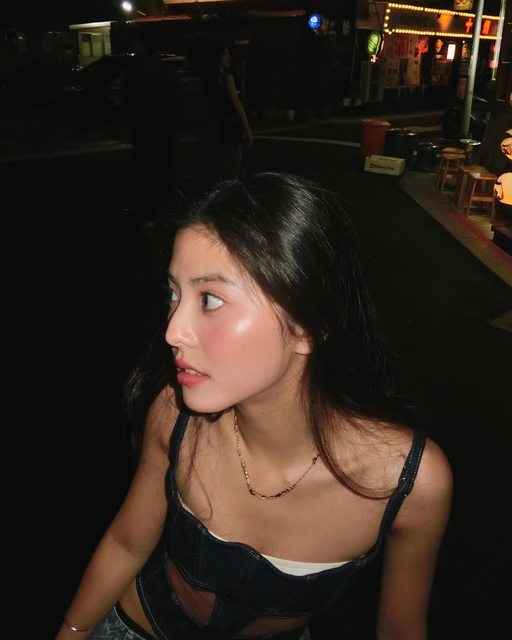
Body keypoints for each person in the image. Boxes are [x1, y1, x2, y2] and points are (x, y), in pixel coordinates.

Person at [56, 172, 452, 640]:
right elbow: (127, 542)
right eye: (173, 295)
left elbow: (401, 629)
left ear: (307, 326)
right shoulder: (176, 415)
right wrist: (73, 631)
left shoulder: (410, 481)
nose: (172, 331)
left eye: (210, 299)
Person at [121, 33, 181, 230]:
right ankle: (169, 213)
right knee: (166, 174)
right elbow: (176, 101)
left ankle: (148, 216)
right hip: (164, 128)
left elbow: (127, 100)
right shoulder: (167, 69)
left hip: (142, 129)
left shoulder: (133, 71)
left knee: (144, 175)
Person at [200, 41, 253, 182]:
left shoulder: (207, 79)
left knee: (216, 169)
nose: (228, 57)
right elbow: (237, 104)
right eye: (225, 54)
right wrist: (247, 129)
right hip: (229, 127)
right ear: (218, 57)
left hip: (214, 127)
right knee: (233, 169)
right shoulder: (226, 77)